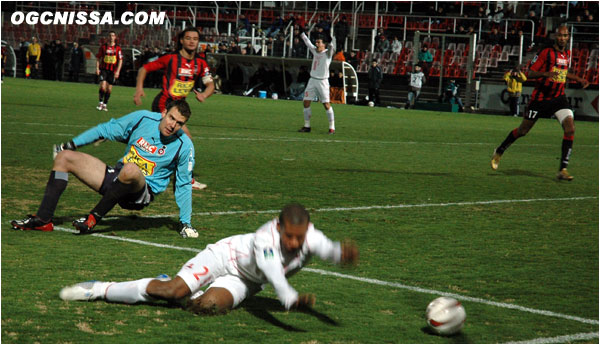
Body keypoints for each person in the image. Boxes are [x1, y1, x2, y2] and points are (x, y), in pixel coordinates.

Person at [58, 203, 359, 315]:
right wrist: (290, 298)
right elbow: (273, 271)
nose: (295, 243)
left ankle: (182, 287)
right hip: (222, 256)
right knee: (172, 291)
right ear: (279, 227)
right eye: (289, 237)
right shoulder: (265, 236)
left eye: (300, 237)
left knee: (206, 307)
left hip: (245, 281)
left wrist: (342, 254)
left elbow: (330, 249)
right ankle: (99, 289)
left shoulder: (310, 237)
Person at [10, 100, 200, 238]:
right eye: (171, 118)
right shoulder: (142, 118)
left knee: (131, 170)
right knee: (63, 158)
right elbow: (105, 129)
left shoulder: (185, 146)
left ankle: (92, 219)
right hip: (118, 178)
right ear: (163, 112)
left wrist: (185, 223)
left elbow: (183, 184)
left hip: (141, 192)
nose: (173, 125)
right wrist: (72, 144)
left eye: (179, 123)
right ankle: (43, 220)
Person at [491, 25, 589, 181]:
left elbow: (563, 73)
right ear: (555, 36)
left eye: (565, 36)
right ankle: (500, 149)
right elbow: (528, 73)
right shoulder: (545, 53)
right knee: (523, 131)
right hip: (540, 99)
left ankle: (562, 169)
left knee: (570, 128)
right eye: (560, 35)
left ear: (568, 37)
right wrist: (545, 73)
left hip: (558, 98)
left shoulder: (567, 54)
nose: (562, 38)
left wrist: (579, 79)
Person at [133, 27, 214, 191]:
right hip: (164, 104)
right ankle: (184, 179)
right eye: (188, 38)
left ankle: (146, 167)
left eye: (195, 38)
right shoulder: (170, 59)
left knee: (164, 139)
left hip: (178, 107)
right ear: (181, 41)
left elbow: (210, 84)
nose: (192, 41)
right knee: (185, 139)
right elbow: (144, 69)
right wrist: (139, 89)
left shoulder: (200, 64)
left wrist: (204, 95)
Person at [297, 31, 337, 134]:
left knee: (326, 104)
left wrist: (331, 38)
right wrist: (302, 33)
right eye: (316, 42)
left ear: (324, 44)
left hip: (322, 82)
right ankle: (307, 126)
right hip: (312, 80)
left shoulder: (328, 54)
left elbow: (332, 46)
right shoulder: (315, 51)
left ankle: (332, 127)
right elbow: (307, 42)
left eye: (319, 42)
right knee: (306, 102)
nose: (316, 44)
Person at [96, 31, 123, 111]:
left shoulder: (118, 48)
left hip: (112, 71)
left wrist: (118, 71)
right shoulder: (103, 47)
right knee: (103, 86)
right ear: (108, 37)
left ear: (115, 37)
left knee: (109, 89)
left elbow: (120, 60)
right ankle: (100, 103)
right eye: (110, 35)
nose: (111, 37)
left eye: (113, 35)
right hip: (104, 69)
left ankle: (105, 104)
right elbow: (98, 58)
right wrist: (97, 68)